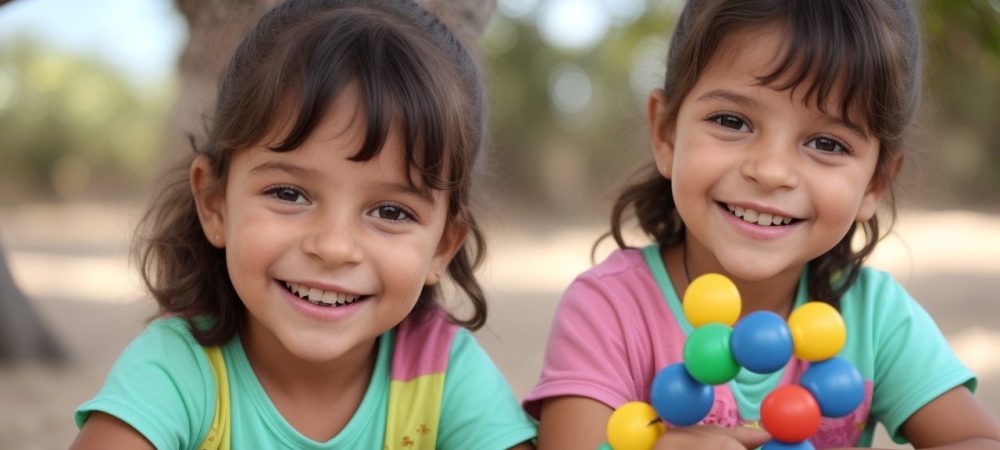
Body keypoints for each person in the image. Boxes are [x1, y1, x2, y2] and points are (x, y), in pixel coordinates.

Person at [524, 0, 1000, 449]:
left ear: (873, 184)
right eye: (732, 121)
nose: (771, 171)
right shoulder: (609, 310)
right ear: (666, 134)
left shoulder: (875, 318)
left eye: (827, 144)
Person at [70, 0, 537, 448]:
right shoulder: (180, 368)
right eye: (288, 194)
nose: (333, 247)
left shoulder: (439, 372)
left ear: (443, 247)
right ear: (215, 204)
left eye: (391, 212)